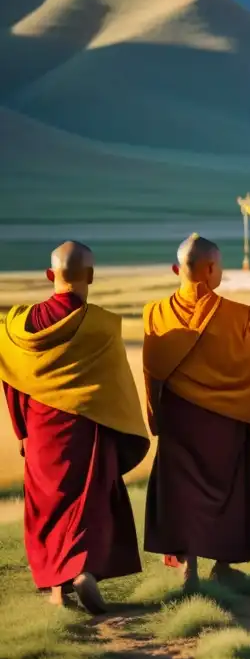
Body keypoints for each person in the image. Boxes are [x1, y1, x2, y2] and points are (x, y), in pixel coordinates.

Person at [0, 242, 149, 614]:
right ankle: (84, 571)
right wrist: (121, 431)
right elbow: (116, 388)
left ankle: (56, 590)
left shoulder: (20, 325)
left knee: (46, 507)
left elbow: (13, 381)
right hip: (89, 430)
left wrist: (21, 429)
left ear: (50, 275)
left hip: (40, 432)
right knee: (88, 504)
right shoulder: (101, 325)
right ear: (92, 276)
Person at [142, 235, 250, 589]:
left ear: (178, 269)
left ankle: (189, 567)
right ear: (210, 269)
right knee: (230, 489)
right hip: (225, 419)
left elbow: (151, 371)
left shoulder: (156, 313)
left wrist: (155, 416)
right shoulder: (234, 314)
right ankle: (221, 563)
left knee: (182, 493)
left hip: (179, 419)